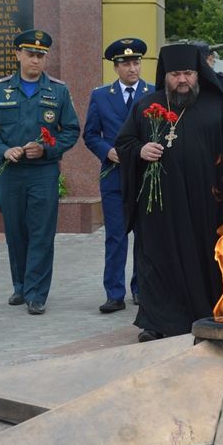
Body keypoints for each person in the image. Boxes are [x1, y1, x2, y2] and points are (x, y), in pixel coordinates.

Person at [115, 43, 223, 342]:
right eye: (176, 74)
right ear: (166, 75)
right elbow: (123, 143)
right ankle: (156, 322)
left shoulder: (216, 108)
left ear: (198, 74)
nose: (182, 80)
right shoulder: (146, 106)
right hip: (159, 208)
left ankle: (206, 317)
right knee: (156, 260)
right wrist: (140, 150)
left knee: (206, 260)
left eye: (188, 73)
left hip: (205, 205)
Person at [0, 29, 80, 315]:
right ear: (18, 55)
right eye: (31, 54)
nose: (36, 60)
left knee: (42, 233)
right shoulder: (0, 90)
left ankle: (37, 293)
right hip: (11, 172)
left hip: (43, 172)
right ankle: (20, 286)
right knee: (16, 231)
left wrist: (47, 149)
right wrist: (2, 150)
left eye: (41, 55)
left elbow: (71, 130)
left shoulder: (58, 91)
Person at [83, 37, 154, 314]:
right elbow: (90, 134)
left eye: (136, 62)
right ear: (116, 67)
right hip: (114, 176)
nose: (132, 68)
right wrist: (106, 151)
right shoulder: (101, 96)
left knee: (145, 236)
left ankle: (141, 289)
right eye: (126, 63)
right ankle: (114, 293)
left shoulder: (153, 93)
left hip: (146, 176)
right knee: (116, 236)